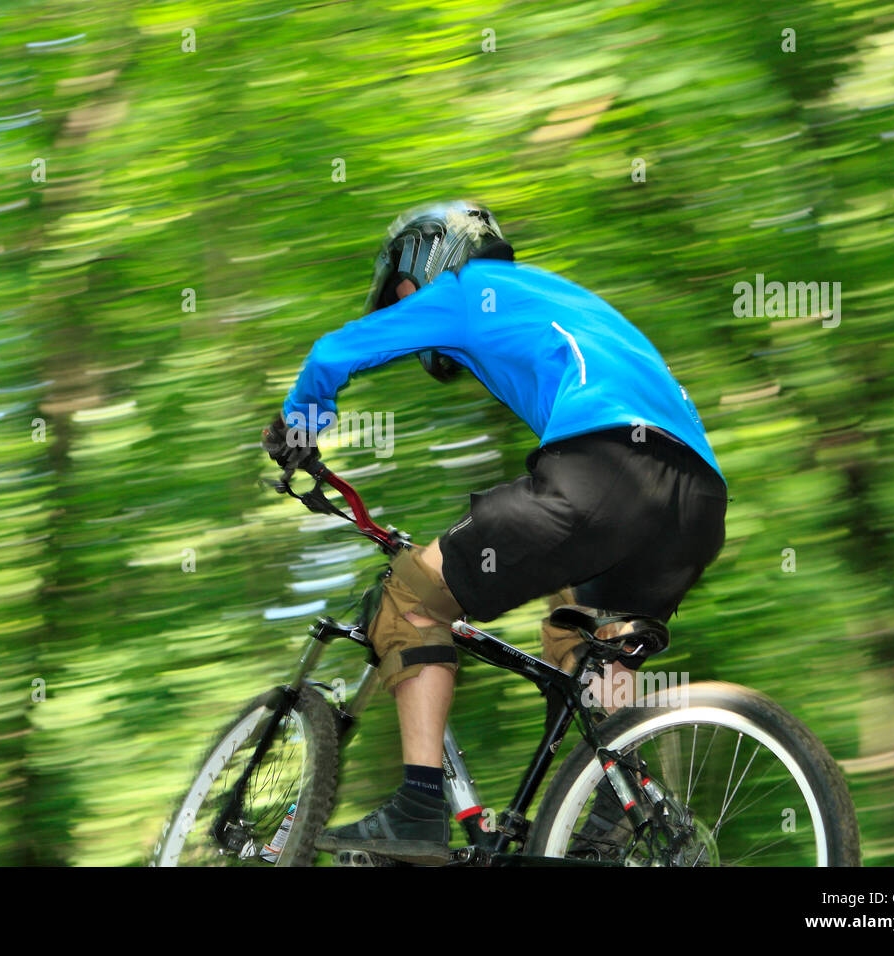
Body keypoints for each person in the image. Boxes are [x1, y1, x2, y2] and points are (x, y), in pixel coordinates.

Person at [261, 200, 728, 865]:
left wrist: (296, 434)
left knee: (409, 598)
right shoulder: (565, 299)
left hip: (604, 470)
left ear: (432, 257)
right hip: (695, 502)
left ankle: (419, 807)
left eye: (402, 286)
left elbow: (333, 353)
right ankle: (612, 804)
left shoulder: (463, 290)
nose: (402, 304)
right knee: (583, 633)